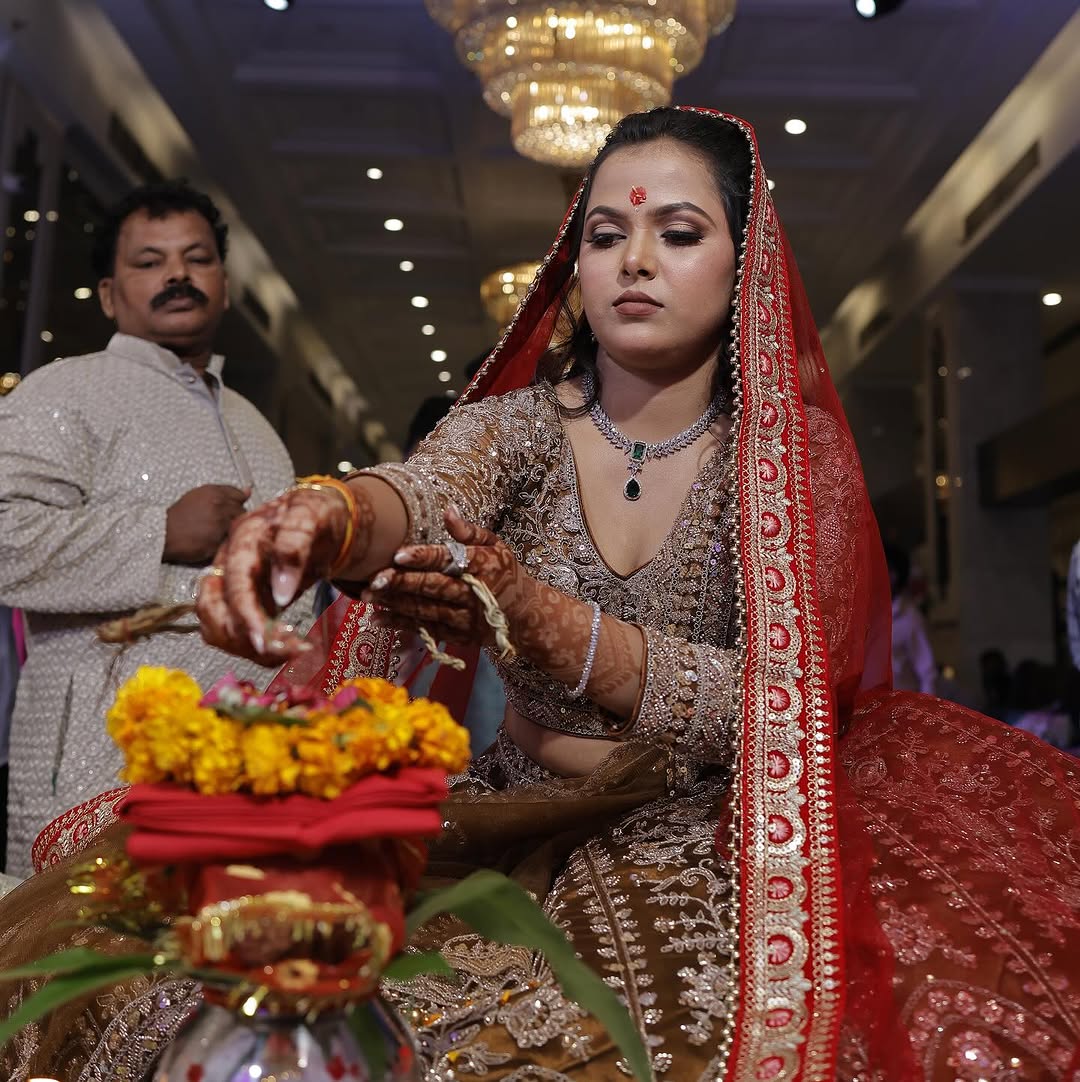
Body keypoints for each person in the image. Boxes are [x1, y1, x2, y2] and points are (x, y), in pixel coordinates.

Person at [3, 108, 1080, 1080]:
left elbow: (787, 700)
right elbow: (425, 491)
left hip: (721, 828)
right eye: (606, 236)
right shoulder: (520, 427)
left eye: (678, 233)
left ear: (745, 261)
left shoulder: (795, 465)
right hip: (508, 813)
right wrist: (328, 515)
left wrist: (562, 630)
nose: (634, 261)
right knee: (227, 996)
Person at [0, 181, 310, 878]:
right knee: (83, 935)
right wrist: (159, 532)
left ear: (224, 286)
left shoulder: (254, 425)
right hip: (99, 754)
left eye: (197, 259)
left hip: (243, 760)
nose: (177, 275)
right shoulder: (64, 391)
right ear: (111, 296)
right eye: (150, 261)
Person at [884, 543, 937, 695]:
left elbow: (927, 672)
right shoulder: (868, 614)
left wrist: (925, 707)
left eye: (889, 570)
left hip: (902, 702)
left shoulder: (910, 618)